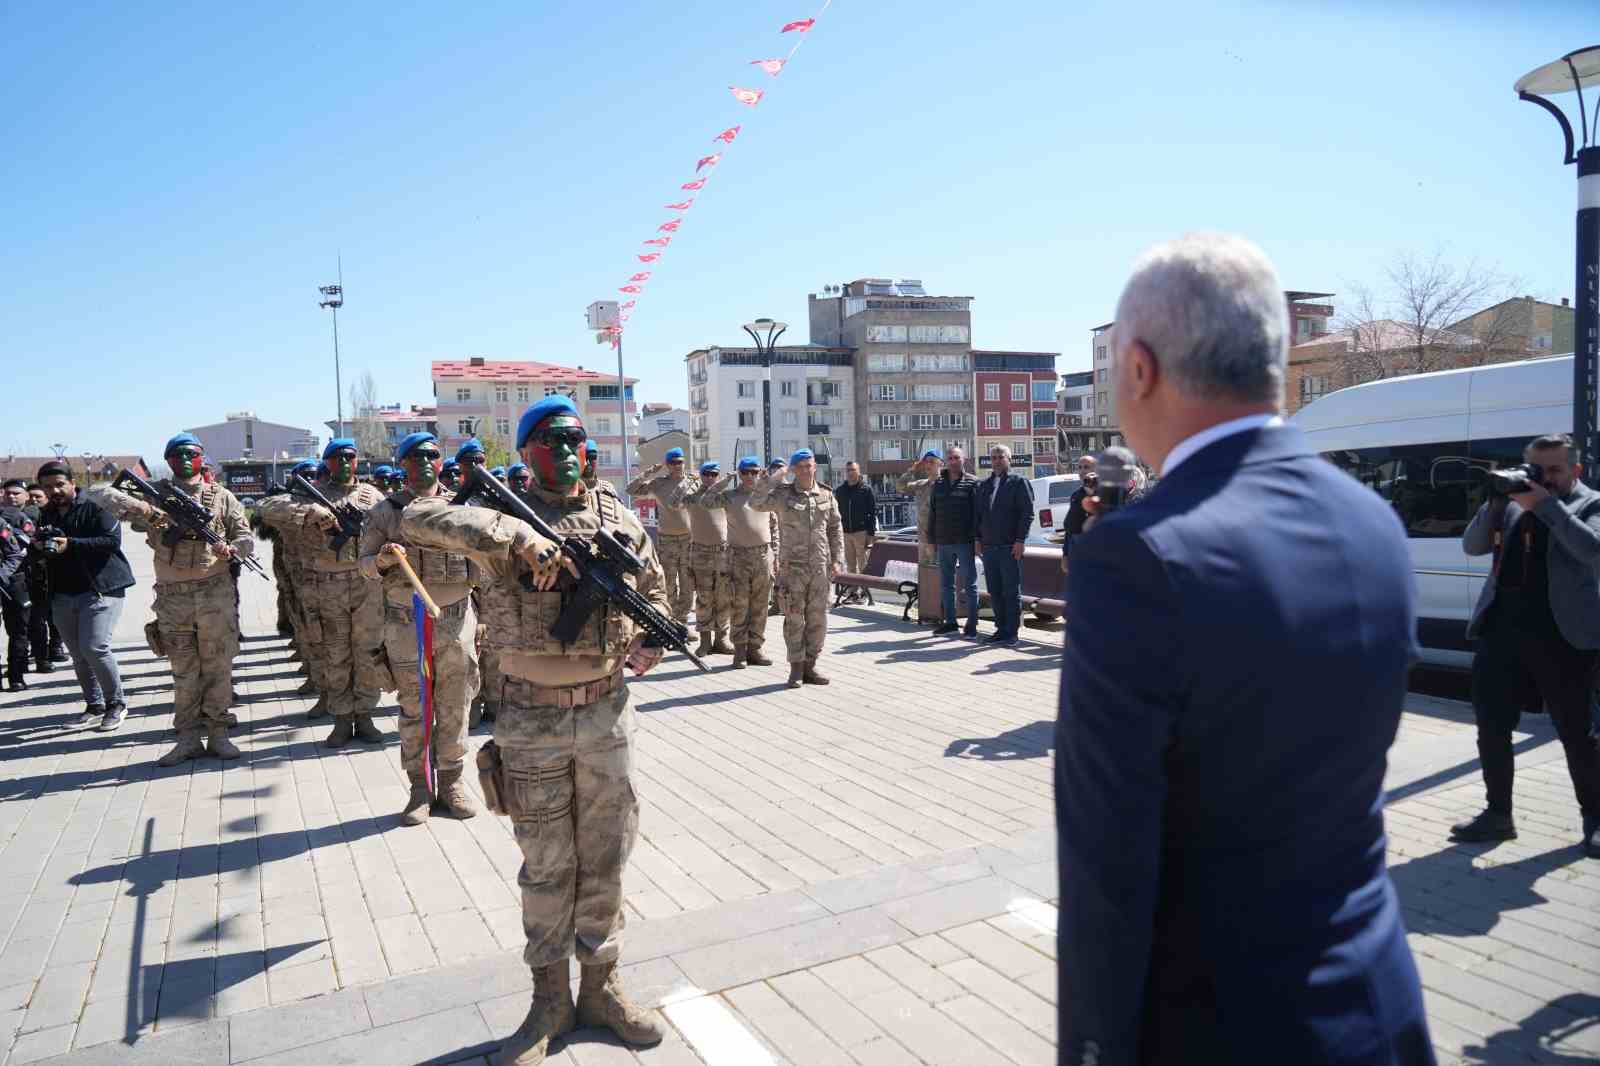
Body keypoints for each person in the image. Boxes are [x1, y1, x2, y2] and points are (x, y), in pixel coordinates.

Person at [1055, 233, 1433, 1065]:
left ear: (1141, 369)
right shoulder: (1371, 522)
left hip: (1217, 1025)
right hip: (1376, 1005)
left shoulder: (1138, 555)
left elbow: (1107, 869)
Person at [401, 395, 666, 1065]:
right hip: (530, 717)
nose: (569, 450)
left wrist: (651, 641)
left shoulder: (620, 520)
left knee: (605, 858)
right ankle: (548, 1001)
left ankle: (602, 990)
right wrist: (515, 536)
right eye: (552, 439)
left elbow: (656, 592)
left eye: (577, 439)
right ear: (525, 453)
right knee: (547, 866)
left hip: (606, 713)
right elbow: (416, 516)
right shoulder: (497, 518)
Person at [1451, 433, 1600, 857]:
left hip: (1564, 638)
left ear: (1576, 469)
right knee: (1492, 728)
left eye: (1554, 470)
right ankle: (1498, 814)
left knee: (1577, 734)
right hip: (1502, 634)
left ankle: (1595, 818)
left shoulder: (1590, 503)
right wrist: (1497, 500)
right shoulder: (1513, 502)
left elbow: (1593, 551)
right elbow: (1472, 545)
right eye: (1537, 469)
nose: (1544, 478)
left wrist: (1547, 506)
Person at [97, 433, 254, 763]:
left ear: (201, 458)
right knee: (184, 670)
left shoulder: (222, 497)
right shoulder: (157, 496)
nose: (185, 459)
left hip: (215, 593)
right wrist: (150, 512)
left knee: (218, 667)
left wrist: (232, 549)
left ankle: (219, 733)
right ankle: (187, 738)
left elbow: (246, 537)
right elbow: (101, 495)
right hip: (173, 598)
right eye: (178, 454)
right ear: (168, 461)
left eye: (192, 453)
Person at [359, 432, 480, 825]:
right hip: (406, 622)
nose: (425, 462)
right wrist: (382, 558)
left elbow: (487, 564)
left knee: (455, 704)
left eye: (431, 455)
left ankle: (453, 781)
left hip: (457, 619)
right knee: (414, 707)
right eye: (415, 457)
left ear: (441, 462)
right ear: (403, 465)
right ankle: (419, 787)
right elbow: (362, 566)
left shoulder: (462, 507)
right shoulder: (384, 513)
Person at [272, 439, 388, 747]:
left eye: (349, 457)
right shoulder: (312, 494)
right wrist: (311, 511)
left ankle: (364, 715)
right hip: (328, 585)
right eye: (337, 457)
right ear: (327, 463)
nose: (344, 462)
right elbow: (269, 507)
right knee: (335, 654)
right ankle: (341, 719)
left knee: (366, 654)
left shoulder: (371, 495)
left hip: (365, 585)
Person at [34, 460, 134, 730]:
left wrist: (71, 544)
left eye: (59, 485)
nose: (54, 491)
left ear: (72, 483)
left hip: (101, 589)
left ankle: (117, 704)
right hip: (63, 593)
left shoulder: (96, 506)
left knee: (95, 647)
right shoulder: (47, 514)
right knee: (78, 654)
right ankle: (95, 705)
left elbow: (111, 542)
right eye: (47, 487)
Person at [752, 449, 843, 688]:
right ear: (793, 469)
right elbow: (756, 503)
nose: (805, 470)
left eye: (809, 465)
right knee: (794, 620)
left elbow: (835, 528)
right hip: (793, 569)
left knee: (818, 619)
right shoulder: (782, 495)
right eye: (800, 466)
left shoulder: (826, 494)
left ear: (815, 467)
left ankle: (810, 665)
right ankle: (796, 669)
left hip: (819, 568)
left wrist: (837, 559)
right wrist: (771, 479)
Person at [695, 457, 774, 669]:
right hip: (738, 557)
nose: (750, 476)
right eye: (745, 472)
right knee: (740, 605)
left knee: (760, 606)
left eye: (754, 472)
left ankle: (755, 649)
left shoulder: (765, 496)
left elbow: (774, 524)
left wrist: (775, 554)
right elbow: (705, 501)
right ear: (739, 474)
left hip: (763, 556)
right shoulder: (730, 496)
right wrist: (722, 481)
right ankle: (739, 651)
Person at [668, 463, 733, 656]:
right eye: (706, 474)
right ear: (701, 475)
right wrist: (687, 482)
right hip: (700, 552)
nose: (710, 478)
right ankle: (705, 641)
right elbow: (673, 502)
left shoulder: (723, 497)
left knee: (723, 597)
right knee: (704, 597)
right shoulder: (692, 498)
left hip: (722, 552)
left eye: (714, 474)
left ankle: (721, 639)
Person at [974, 445, 1034, 646]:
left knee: (1011, 591)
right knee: (995, 590)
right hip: (989, 547)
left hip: (1010, 546)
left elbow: (1027, 514)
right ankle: (1000, 628)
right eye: (994, 457)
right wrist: (977, 539)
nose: (997, 460)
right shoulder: (985, 485)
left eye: (1001, 457)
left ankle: (1012, 633)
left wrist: (1020, 541)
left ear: (1009, 459)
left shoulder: (1019, 483)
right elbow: (978, 516)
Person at [626, 450, 693, 626]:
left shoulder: (693, 482)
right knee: (669, 583)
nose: (676, 466)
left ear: (684, 462)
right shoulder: (658, 484)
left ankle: (683, 621)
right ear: (667, 465)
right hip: (667, 540)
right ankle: (671, 621)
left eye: (679, 462)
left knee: (688, 583)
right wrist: (650, 472)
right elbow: (630, 490)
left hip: (689, 540)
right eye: (672, 463)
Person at [928, 447, 980, 636]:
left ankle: (972, 624)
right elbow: (932, 514)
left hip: (965, 542)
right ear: (945, 461)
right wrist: (931, 540)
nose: (953, 460)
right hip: (943, 542)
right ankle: (950, 622)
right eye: (950, 458)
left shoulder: (972, 483)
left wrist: (977, 539)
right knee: (946, 584)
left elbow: (977, 515)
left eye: (956, 457)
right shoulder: (938, 484)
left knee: (970, 585)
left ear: (963, 459)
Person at [832, 461, 877, 603]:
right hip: (845, 532)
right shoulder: (840, 491)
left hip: (861, 532)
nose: (850, 472)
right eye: (848, 470)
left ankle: (865, 594)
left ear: (859, 471)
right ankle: (853, 593)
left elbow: (872, 512)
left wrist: (871, 534)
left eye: (853, 470)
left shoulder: (866, 490)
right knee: (850, 564)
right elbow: (836, 512)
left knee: (863, 564)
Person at [1059, 454, 1097, 574]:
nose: (1082, 471)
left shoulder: (1104, 493)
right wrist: (1065, 554)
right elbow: (1070, 528)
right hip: (1077, 553)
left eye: (1086, 467)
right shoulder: (1076, 495)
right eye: (1079, 467)